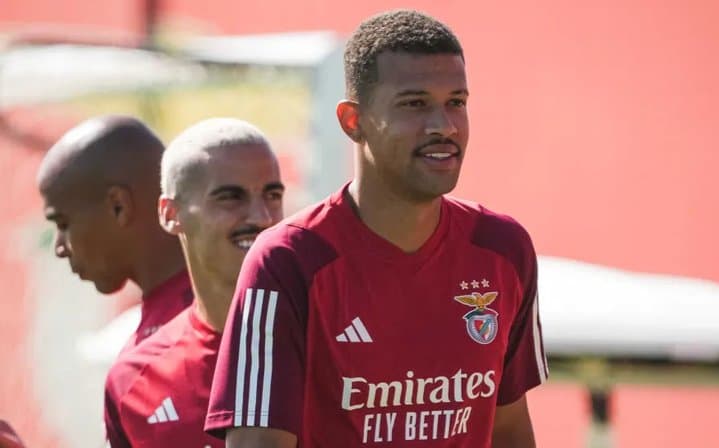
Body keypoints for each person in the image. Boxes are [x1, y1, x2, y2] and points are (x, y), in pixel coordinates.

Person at [205, 9, 548, 448]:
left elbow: (509, 429)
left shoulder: (503, 249)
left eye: (456, 102)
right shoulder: (287, 261)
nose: (443, 125)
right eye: (415, 103)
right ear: (353, 121)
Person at [103, 118, 285, 447]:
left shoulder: (333, 341)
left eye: (272, 195)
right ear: (171, 214)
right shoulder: (134, 379)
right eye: (231, 197)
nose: (262, 217)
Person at [36, 115, 192, 351]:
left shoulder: (192, 338)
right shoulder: (229, 305)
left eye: (64, 223)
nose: (59, 248)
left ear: (118, 206)